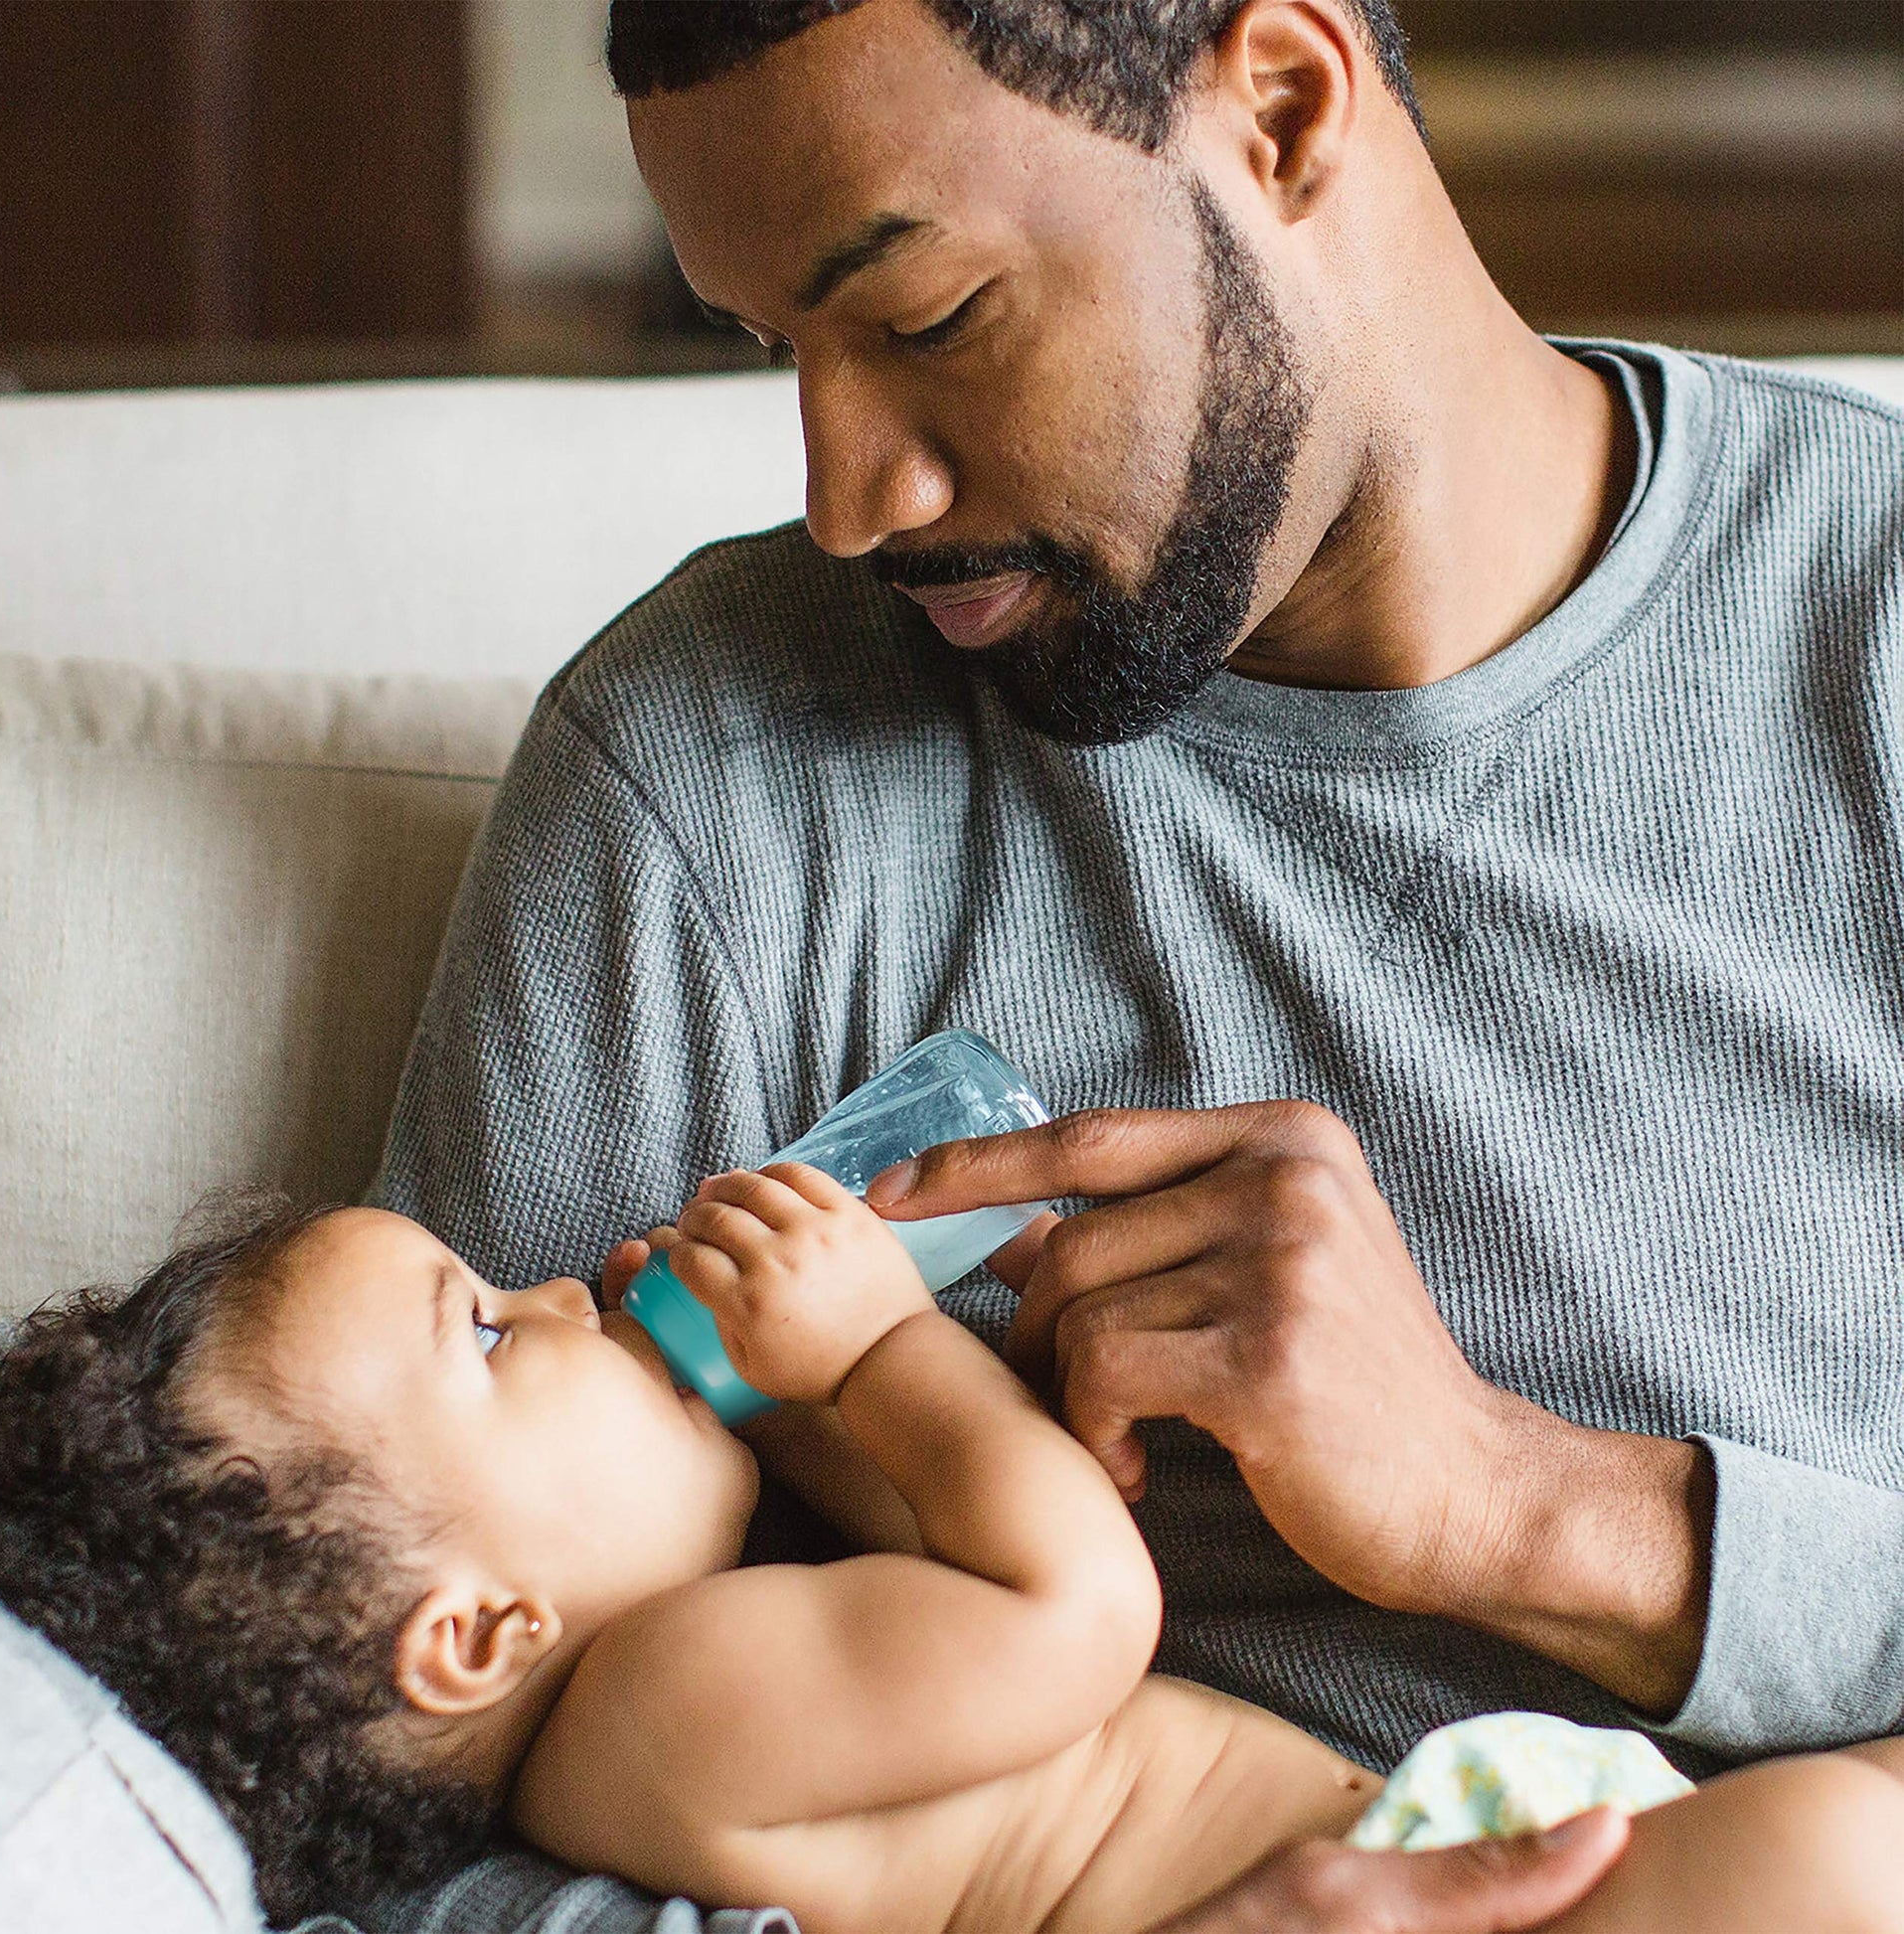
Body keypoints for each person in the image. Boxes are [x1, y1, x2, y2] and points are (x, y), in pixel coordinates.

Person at [371, 0, 1904, 1927]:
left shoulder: (1871, 641)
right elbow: (396, 1802)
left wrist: (1528, 1510)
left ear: (1277, 109)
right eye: (774, 349)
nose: (851, 497)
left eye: (925, 320)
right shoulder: (715, 777)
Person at [0, 1188, 1899, 1934]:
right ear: (474, 1631)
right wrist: (875, 1345)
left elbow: (942, 1578)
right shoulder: (657, 1710)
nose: (556, 1287)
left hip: (1432, 1834)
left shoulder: (697, 1695)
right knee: (1820, 1864)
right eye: (487, 1329)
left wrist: (811, 1414)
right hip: (1405, 1880)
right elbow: (1071, 1607)